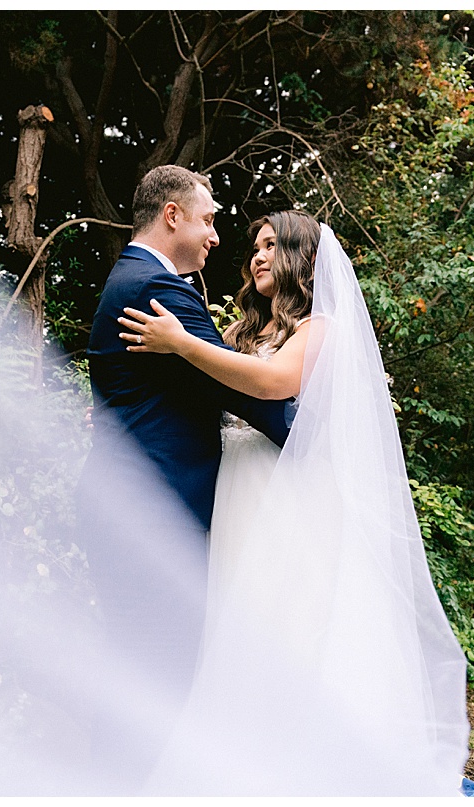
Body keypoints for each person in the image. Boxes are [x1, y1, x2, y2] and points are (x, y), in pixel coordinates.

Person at [117, 212, 473, 795]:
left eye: (271, 245)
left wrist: (180, 342)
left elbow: (272, 383)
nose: (257, 255)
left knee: (284, 623)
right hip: (234, 487)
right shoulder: (238, 333)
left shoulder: (320, 328)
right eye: (254, 247)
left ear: (301, 258)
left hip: (289, 494)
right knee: (231, 624)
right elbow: (198, 394)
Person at [75, 166, 293, 792]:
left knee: (147, 672)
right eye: (208, 220)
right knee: (155, 678)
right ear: (172, 216)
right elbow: (250, 397)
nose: (217, 237)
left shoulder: (142, 279)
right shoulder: (156, 291)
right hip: (151, 511)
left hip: (135, 504)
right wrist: (330, 433)